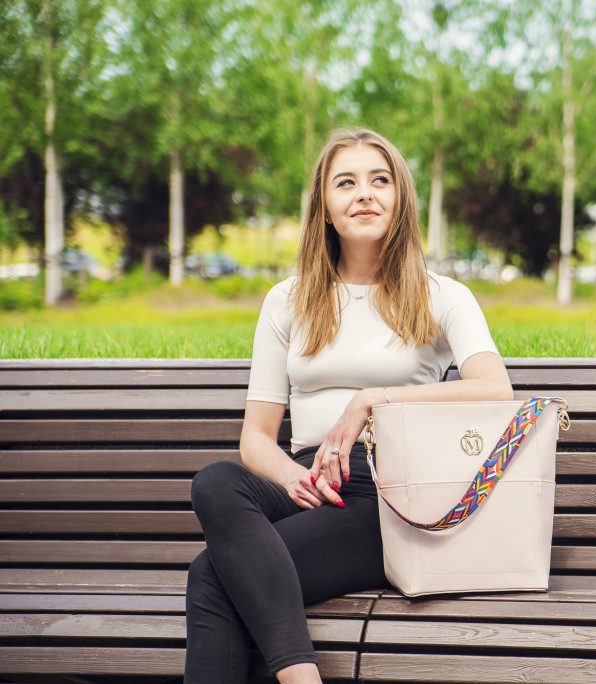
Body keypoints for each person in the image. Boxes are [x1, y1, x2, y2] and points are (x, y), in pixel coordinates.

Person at [184, 128, 513, 683]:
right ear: (325, 207)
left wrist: (372, 400)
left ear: (400, 198)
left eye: (379, 180)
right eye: (346, 183)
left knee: (211, 576)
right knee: (215, 481)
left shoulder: (442, 295)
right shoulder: (287, 301)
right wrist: (295, 480)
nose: (364, 193)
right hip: (309, 485)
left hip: (388, 497)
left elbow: (494, 389)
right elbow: (256, 438)